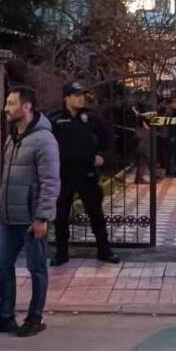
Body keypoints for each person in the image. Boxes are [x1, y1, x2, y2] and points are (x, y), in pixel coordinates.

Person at [0, 86, 60, 338]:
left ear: (26, 107)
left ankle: (35, 317)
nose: (6, 108)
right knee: (2, 264)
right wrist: (0, 208)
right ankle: (5, 316)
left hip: (32, 217)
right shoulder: (13, 137)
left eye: (11, 103)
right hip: (9, 217)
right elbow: (8, 178)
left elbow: (51, 181)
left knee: (37, 268)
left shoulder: (44, 140)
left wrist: (42, 217)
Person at [49, 82, 120, 267]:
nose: (81, 99)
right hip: (63, 173)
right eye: (76, 95)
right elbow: (46, 143)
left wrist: (101, 155)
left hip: (86, 172)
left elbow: (107, 137)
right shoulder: (55, 119)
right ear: (66, 97)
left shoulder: (91, 118)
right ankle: (61, 253)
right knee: (61, 215)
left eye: (83, 95)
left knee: (96, 213)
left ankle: (104, 250)